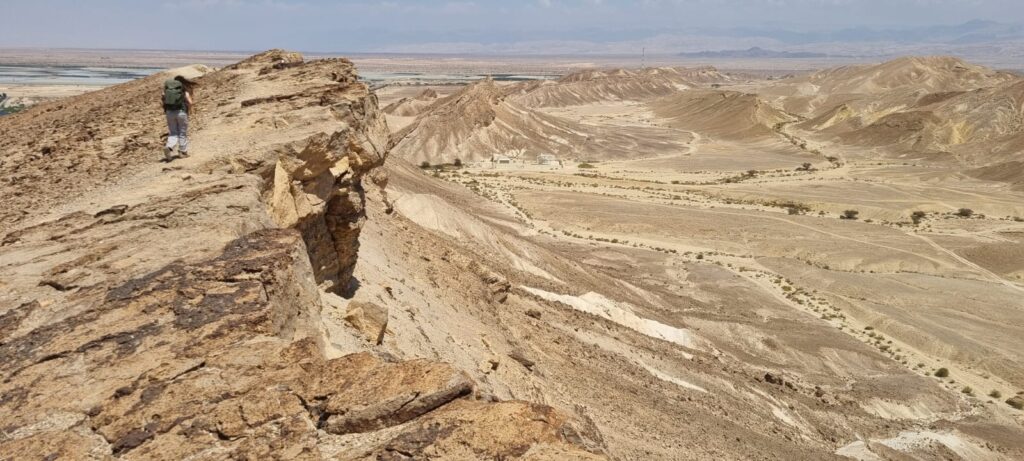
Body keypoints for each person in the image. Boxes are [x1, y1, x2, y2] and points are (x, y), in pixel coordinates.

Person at [162, 75, 194, 161]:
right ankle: (182, 152)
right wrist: (189, 110)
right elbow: (190, 102)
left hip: (169, 113)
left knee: (173, 132)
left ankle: (169, 147)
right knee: (182, 133)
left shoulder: (166, 92)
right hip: (181, 113)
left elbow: (163, 100)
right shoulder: (184, 92)